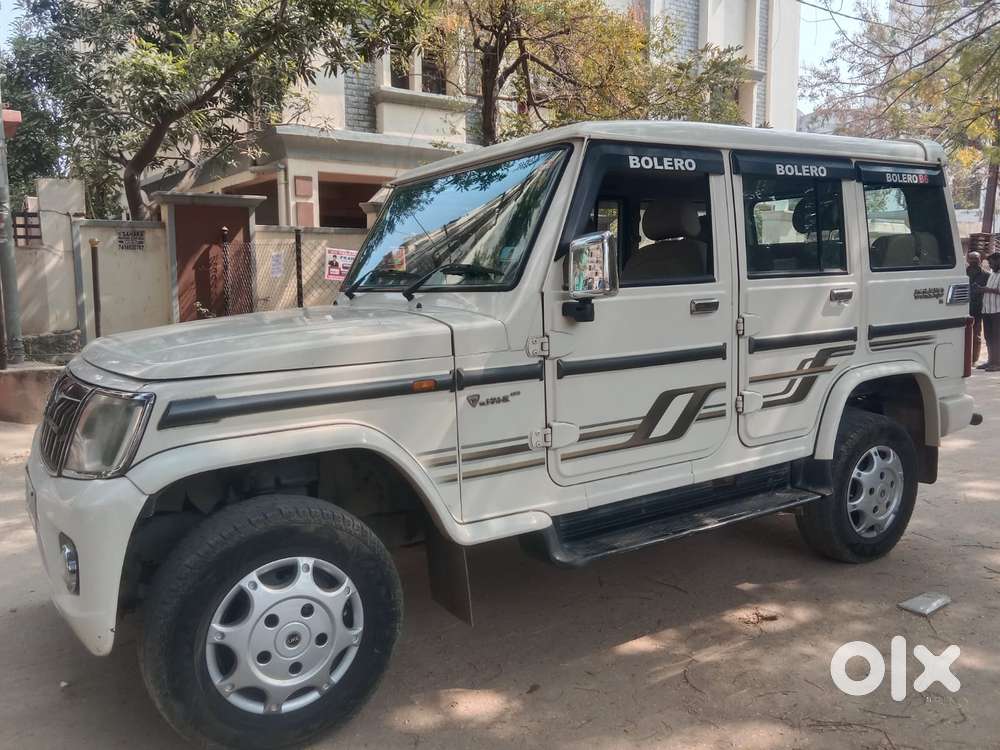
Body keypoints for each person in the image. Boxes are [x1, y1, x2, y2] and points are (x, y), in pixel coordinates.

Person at [979, 251, 1000, 371]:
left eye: (991, 263)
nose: (990, 265)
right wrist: (982, 289)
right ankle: (991, 361)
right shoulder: (992, 274)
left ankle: (997, 364)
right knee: (988, 337)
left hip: (997, 311)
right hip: (987, 310)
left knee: (997, 338)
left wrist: (987, 290)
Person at [967, 251, 989, 365]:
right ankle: (965, 358)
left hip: (978, 309)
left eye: (976, 259)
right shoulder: (962, 273)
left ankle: (974, 360)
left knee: (976, 335)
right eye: (971, 259)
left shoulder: (986, 275)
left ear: (980, 260)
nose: (973, 261)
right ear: (967, 260)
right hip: (963, 308)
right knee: (963, 335)